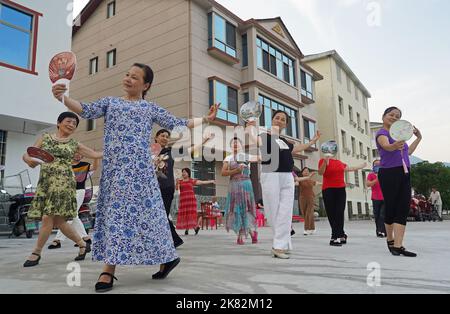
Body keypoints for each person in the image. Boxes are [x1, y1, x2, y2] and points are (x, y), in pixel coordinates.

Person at [52, 63, 219, 292]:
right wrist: (64, 98)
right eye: (127, 75)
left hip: (140, 172)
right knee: (115, 214)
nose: (128, 79)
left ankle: (166, 258)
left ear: (146, 84)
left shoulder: (149, 108)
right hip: (114, 171)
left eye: (135, 77)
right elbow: (85, 109)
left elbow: (178, 123)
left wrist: (206, 119)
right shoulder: (111, 102)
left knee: (152, 217)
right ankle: (109, 269)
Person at [22, 112, 103, 267]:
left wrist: (116, 151)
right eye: (69, 121)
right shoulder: (45, 138)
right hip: (46, 183)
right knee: (60, 221)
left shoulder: (74, 143)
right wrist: (29, 161)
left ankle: (36, 252)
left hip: (64, 183)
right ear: (59, 122)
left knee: (48, 217)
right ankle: (81, 244)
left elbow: (94, 154)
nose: (71, 124)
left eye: (75, 123)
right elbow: (27, 154)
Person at [252, 111, 320, 259]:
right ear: (272, 120)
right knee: (272, 211)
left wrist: (313, 141)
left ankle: (280, 245)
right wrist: (250, 126)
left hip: (287, 177)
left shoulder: (285, 142)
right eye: (277, 118)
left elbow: (298, 148)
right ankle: (281, 243)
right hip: (271, 175)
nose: (280, 121)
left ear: (286, 124)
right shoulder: (264, 136)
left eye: (283, 119)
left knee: (285, 211)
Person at [154, 129, 214, 248]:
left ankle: (173, 240)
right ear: (156, 137)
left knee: (162, 214)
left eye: (167, 136)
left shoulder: (171, 152)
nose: (165, 138)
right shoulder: (149, 151)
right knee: (157, 215)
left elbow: (189, 150)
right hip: (152, 188)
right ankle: (174, 240)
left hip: (166, 188)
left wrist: (204, 140)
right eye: (162, 135)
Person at [376, 106, 422, 257]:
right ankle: (390, 240)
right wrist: (393, 145)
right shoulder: (382, 133)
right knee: (391, 207)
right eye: (391, 114)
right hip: (389, 173)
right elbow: (386, 146)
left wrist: (418, 138)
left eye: (397, 116)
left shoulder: (400, 135)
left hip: (404, 173)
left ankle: (398, 245)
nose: (394, 117)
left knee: (403, 207)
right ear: (384, 116)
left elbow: (407, 152)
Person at [48, 153, 97, 249]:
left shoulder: (84, 165)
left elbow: (95, 167)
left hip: (79, 191)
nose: (78, 156)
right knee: (74, 215)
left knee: (70, 214)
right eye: (76, 154)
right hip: (67, 192)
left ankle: (57, 240)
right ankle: (86, 237)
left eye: (80, 154)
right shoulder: (66, 166)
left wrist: (95, 157)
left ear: (82, 156)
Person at [318, 154, 366, 247]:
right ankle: (340, 235)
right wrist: (325, 161)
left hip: (340, 189)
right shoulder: (322, 160)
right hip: (328, 189)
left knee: (339, 212)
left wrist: (361, 166)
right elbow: (320, 172)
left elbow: (349, 168)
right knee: (331, 213)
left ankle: (336, 236)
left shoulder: (340, 163)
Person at [222, 137, 259, 245]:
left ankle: (244, 234)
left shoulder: (247, 156)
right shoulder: (228, 158)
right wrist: (236, 170)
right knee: (237, 210)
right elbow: (223, 172)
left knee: (246, 209)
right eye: (232, 143)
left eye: (237, 143)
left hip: (246, 185)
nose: (235, 145)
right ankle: (249, 234)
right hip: (234, 186)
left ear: (241, 145)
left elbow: (262, 157)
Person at [176, 168, 215, 235]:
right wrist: (176, 183)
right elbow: (177, 189)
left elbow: (201, 182)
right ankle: (194, 228)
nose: (183, 173)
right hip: (183, 200)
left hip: (191, 200)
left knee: (190, 214)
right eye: (183, 172)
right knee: (185, 214)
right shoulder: (180, 181)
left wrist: (211, 181)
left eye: (185, 172)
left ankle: (188, 229)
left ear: (188, 173)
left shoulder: (191, 180)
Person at [295, 167, 321, 236]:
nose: (306, 172)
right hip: (302, 198)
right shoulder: (300, 180)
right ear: (302, 172)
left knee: (308, 213)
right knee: (304, 214)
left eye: (307, 171)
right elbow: (296, 183)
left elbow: (318, 183)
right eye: (305, 171)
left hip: (310, 198)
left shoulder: (311, 181)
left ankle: (306, 229)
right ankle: (312, 228)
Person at [366, 159, 387, 237]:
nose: (377, 166)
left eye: (379, 164)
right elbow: (368, 184)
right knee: (377, 215)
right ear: (373, 166)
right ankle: (379, 231)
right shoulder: (371, 175)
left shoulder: (386, 174)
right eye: (376, 165)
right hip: (375, 198)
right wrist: (377, 179)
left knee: (383, 215)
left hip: (385, 198)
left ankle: (383, 231)